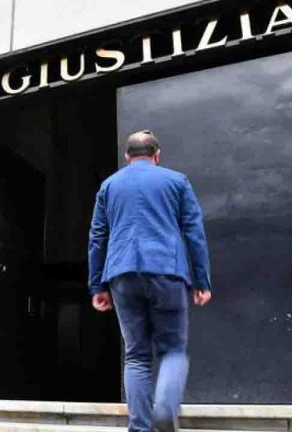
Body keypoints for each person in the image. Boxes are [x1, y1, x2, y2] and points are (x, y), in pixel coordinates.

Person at [87, 130, 212, 432]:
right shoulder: (177, 181)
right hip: (167, 271)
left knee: (136, 356)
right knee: (172, 350)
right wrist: (202, 280)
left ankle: (140, 428)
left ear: (127, 157)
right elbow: (194, 232)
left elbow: (97, 236)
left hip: (122, 274)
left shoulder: (109, 186)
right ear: (157, 155)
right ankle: (165, 409)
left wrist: (97, 285)